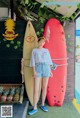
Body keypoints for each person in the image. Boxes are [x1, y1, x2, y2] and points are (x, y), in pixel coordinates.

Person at [28, 36, 53, 115]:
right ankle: (35, 107)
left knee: (44, 88)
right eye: (41, 41)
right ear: (38, 42)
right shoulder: (34, 50)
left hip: (46, 68)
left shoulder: (46, 50)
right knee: (36, 89)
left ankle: (42, 104)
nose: (42, 43)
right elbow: (33, 61)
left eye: (43, 42)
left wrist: (50, 71)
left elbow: (49, 61)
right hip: (38, 69)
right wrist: (34, 71)